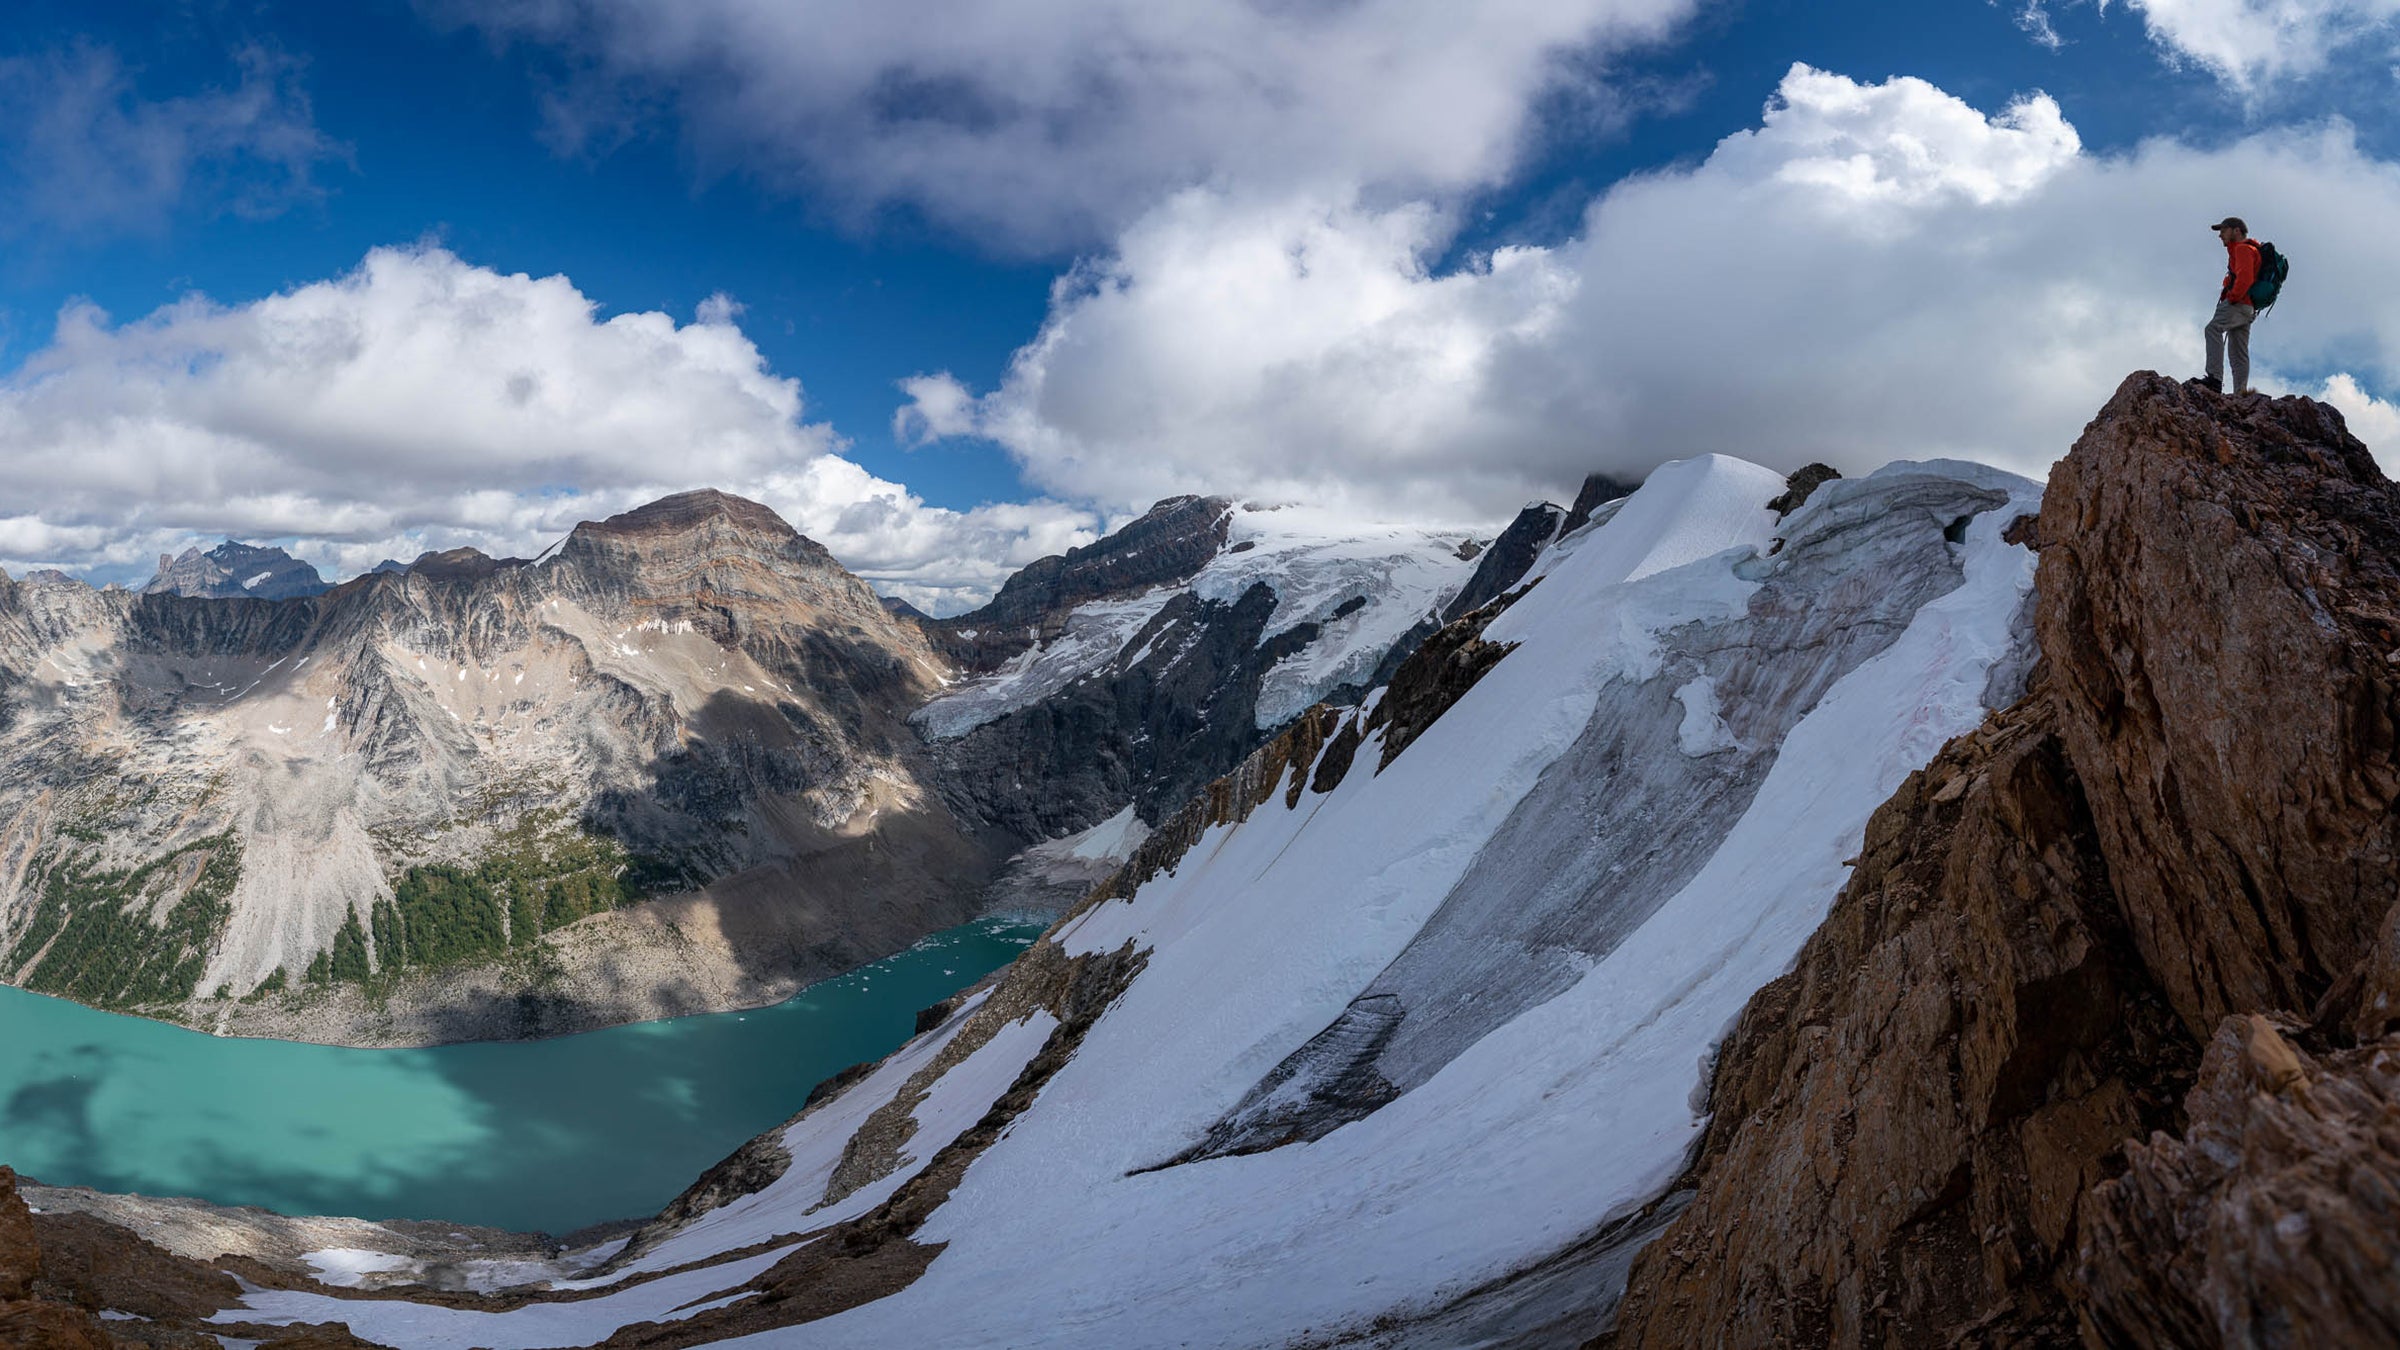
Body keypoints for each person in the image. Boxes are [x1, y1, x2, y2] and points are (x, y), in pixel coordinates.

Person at [2198, 216, 2262, 394]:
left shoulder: (2242, 249)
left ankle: (2214, 379)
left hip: (2238, 303)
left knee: (2212, 329)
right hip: (2248, 308)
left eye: (2224, 230)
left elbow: (2245, 278)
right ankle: (2241, 394)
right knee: (2238, 353)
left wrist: (2233, 297)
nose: (2220, 235)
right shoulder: (2250, 249)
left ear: (2237, 231)